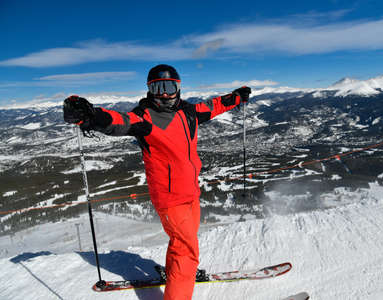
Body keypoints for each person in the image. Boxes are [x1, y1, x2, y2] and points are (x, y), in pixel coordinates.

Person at [63, 64, 251, 300]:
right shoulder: (144, 118)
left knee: (183, 243)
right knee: (187, 251)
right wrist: (90, 116)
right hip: (170, 198)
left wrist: (236, 97)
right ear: (149, 90)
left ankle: (178, 272)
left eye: (169, 86)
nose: (164, 94)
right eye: (158, 87)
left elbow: (213, 106)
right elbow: (117, 121)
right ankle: (180, 284)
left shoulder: (189, 112)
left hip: (191, 192)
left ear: (178, 88)